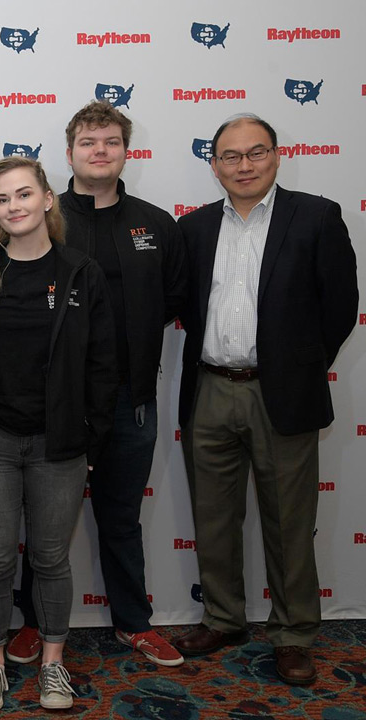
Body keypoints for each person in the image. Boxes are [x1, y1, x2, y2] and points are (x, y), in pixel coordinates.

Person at [173, 114, 357, 685]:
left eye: (256, 153)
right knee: (213, 515)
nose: (244, 165)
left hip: (281, 395)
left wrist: (296, 369)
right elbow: (184, 303)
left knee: (288, 522)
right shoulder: (196, 227)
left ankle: (295, 632)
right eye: (231, 156)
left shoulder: (317, 217)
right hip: (208, 390)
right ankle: (225, 618)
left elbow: (340, 309)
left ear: (277, 156)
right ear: (215, 165)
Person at [9, 101, 187, 667]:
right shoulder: (43, 218)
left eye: (111, 141)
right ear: (70, 153)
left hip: (130, 401)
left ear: (126, 151)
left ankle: (133, 623)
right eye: (89, 142)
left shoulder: (156, 224)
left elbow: (172, 302)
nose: (100, 151)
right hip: (53, 405)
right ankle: (34, 623)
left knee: (121, 518)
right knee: (44, 524)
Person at [0, 157, 117, 711]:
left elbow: (102, 363)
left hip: (58, 442)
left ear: (46, 200)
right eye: (2, 199)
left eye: (23, 194)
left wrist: (89, 434)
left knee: (49, 558)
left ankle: (53, 665)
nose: (13, 206)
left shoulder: (80, 272)